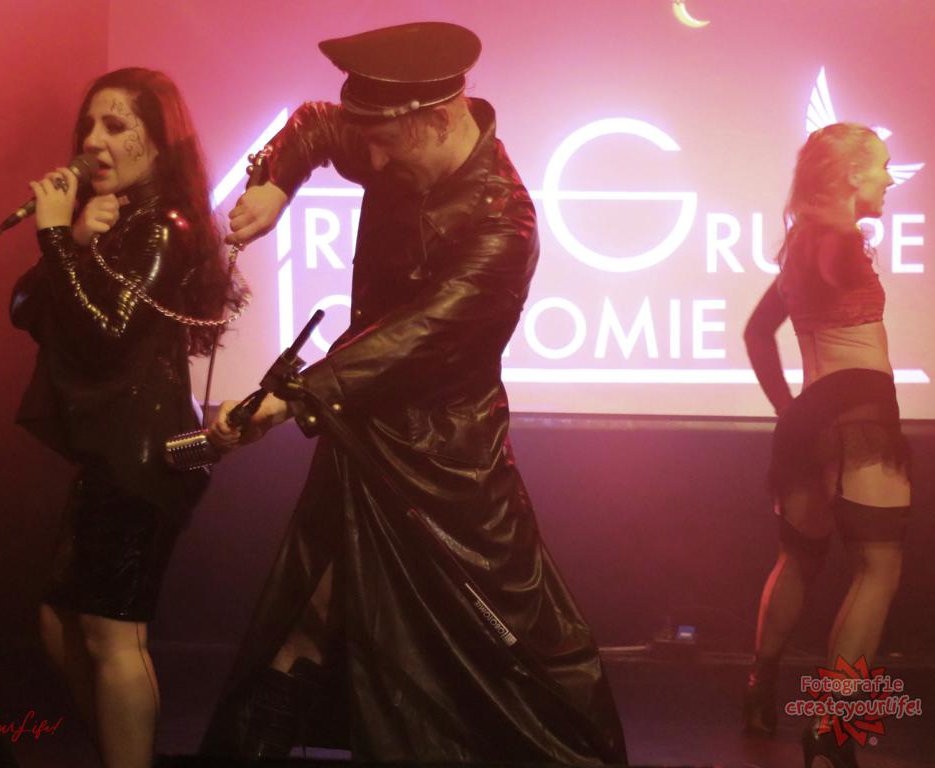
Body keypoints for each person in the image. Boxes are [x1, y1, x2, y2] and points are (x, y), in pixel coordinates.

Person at [199, 22, 627, 765]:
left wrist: (294, 397)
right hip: (360, 432)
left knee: (514, 640)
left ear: (435, 118)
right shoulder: (394, 145)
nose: (370, 163)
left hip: (448, 463)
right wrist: (275, 180)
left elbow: (416, 334)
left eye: (384, 144)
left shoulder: (503, 224)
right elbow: (316, 123)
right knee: (312, 611)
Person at [9, 67, 244, 768]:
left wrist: (59, 239)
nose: (93, 141)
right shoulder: (111, 220)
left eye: (115, 126)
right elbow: (24, 310)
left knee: (114, 635)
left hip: (145, 456)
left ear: (159, 142)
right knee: (60, 624)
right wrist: (73, 240)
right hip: (111, 451)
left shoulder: (164, 226)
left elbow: (106, 331)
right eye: (88, 125)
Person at [742, 123, 909, 766]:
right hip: (860, 414)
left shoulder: (801, 245)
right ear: (850, 175)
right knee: (877, 567)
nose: (890, 178)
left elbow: (758, 333)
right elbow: (826, 272)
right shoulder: (834, 241)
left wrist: (789, 410)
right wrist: (840, 237)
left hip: (810, 419)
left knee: (800, 559)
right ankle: (835, 726)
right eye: (882, 166)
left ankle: (759, 691)